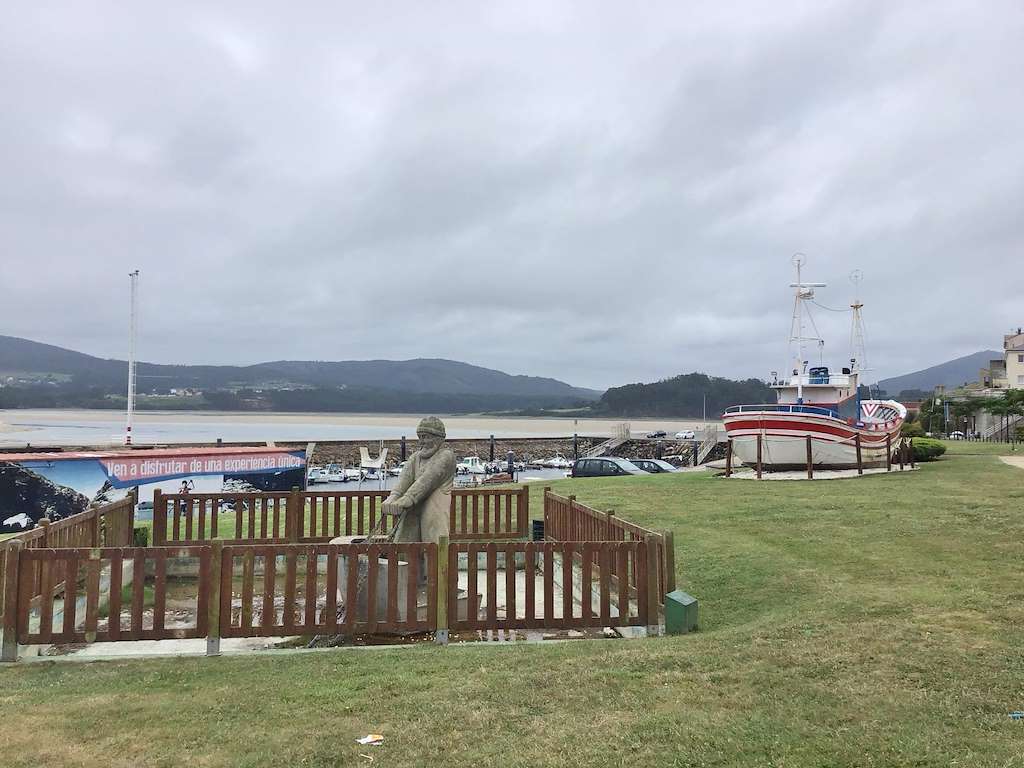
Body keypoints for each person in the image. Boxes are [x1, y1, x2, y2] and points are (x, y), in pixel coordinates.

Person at [382, 416, 455, 545]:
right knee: (405, 536)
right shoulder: (415, 457)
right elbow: (405, 479)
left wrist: (408, 498)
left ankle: (435, 558)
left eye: (426, 437)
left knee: (433, 534)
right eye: (420, 437)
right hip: (414, 504)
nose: (422, 441)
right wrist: (394, 496)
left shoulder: (446, 456)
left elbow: (429, 478)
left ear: (439, 438)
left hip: (435, 501)